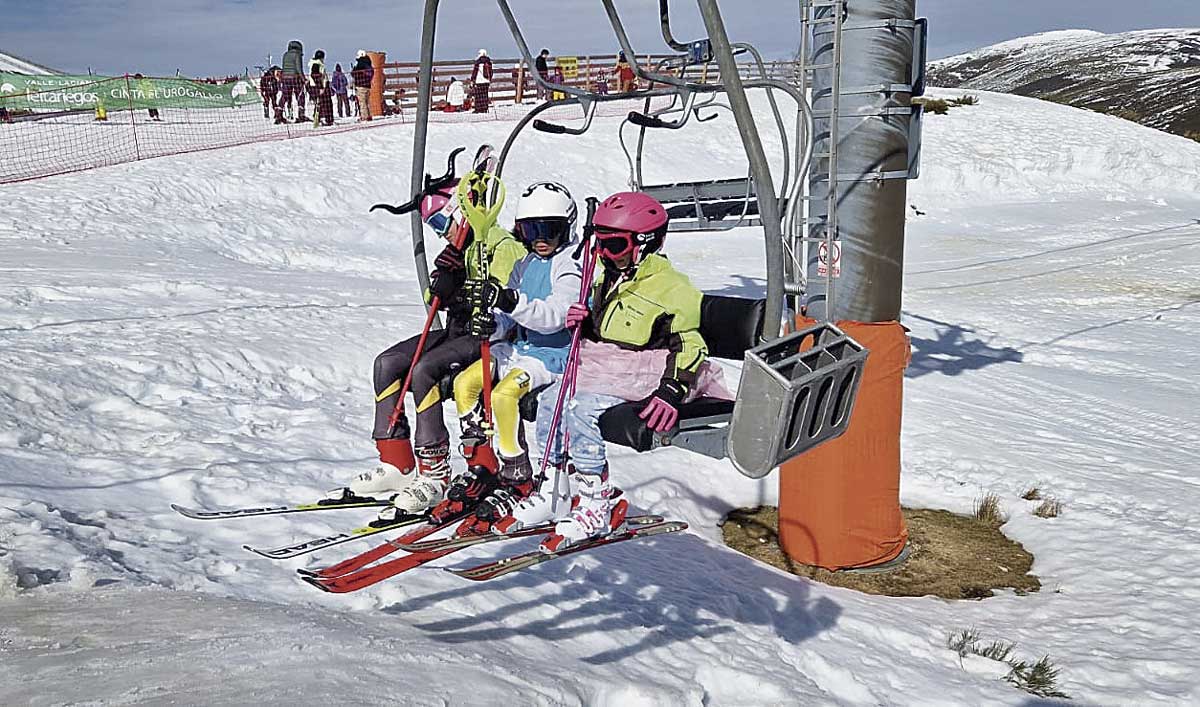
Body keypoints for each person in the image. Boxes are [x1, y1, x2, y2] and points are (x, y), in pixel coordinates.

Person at [501, 192, 714, 551]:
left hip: (647, 371)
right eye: (600, 244)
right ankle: (555, 487)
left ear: (646, 243)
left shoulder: (672, 287)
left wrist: (671, 390)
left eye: (614, 245)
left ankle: (596, 502)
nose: (604, 254)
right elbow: (610, 327)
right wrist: (585, 322)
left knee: (579, 407)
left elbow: (689, 342)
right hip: (609, 363)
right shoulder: (608, 278)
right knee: (552, 397)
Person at [354, 181, 528, 522]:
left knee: (425, 370)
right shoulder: (461, 250)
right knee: (387, 364)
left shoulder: (499, 246)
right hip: (456, 331)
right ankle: (397, 462)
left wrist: (463, 292)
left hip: (488, 337)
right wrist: (443, 283)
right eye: (433, 226)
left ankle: (435, 472)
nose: (440, 232)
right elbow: (437, 299)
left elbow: (507, 304)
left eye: (441, 221)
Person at [451, 182, 581, 527]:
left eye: (549, 230)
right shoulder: (525, 264)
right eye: (530, 230)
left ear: (567, 227)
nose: (540, 239)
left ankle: (517, 474)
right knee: (465, 383)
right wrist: (490, 323)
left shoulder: (569, 266)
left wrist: (510, 301)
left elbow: (555, 317)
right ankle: (482, 462)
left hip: (551, 354)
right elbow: (508, 318)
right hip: (519, 348)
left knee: (504, 395)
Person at [278, 40, 307, 124]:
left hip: (285, 78)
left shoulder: (285, 55)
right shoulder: (297, 55)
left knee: (285, 96)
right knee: (300, 95)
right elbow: (299, 68)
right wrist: (303, 79)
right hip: (295, 78)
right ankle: (301, 115)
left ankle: (278, 114)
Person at [308, 49, 334, 126]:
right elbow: (315, 76)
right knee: (325, 104)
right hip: (319, 86)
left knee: (322, 104)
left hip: (320, 86)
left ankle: (323, 119)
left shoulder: (318, 64)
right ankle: (325, 119)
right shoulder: (316, 64)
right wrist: (320, 87)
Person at [352, 50, 373, 121]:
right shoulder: (369, 63)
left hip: (360, 85)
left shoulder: (360, 64)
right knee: (367, 102)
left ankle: (364, 117)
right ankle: (369, 115)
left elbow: (355, 74)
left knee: (362, 102)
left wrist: (353, 71)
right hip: (368, 85)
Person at [470, 48, 493, 114]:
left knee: (478, 95)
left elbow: (475, 72)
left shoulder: (478, 62)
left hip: (479, 81)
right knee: (485, 95)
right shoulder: (488, 62)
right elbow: (491, 72)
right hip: (486, 81)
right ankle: (485, 108)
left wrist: (472, 79)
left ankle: (478, 108)